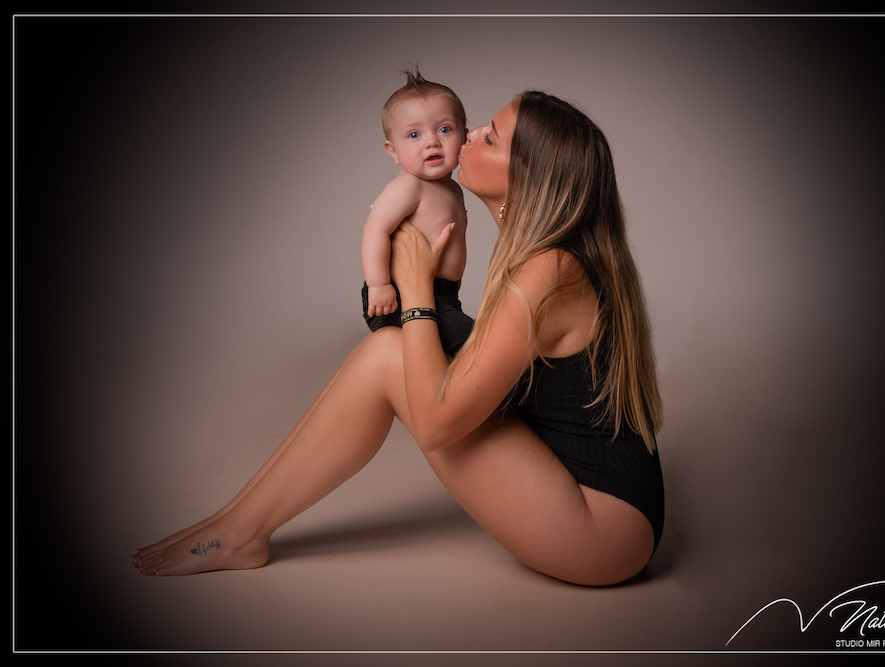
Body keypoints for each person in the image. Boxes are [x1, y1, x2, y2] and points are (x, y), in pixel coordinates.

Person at [133, 90, 664, 586]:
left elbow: (434, 425)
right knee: (388, 352)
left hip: (606, 531)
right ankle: (236, 523)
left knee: (391, 354)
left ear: (527, 176)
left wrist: (413, 291)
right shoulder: (553, 255)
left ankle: (240, 533)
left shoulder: (548, 272)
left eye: (491, 137)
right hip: (590, 488)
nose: (472, 132)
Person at [361, 68, 472, 356]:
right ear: (393, 151)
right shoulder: (409, 186)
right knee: (472, 343)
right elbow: (376, 229)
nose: (432, 141)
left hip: (444, 293)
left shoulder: (455, 190)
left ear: (465, 137)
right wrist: (379, 284)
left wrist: (454, 276)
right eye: (413, 134)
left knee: (454, 353)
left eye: (445, 129)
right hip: (398, 292)